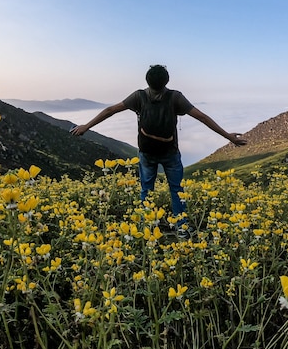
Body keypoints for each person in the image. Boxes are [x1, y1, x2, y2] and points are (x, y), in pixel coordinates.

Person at [70, 65, 247, 239]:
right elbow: (202, 117)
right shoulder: (175, 97)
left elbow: (110, 110)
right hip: (170, 152)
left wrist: (86, 126)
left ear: (147, 80)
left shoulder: (138, 96)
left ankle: (145, 226)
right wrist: (229, 137)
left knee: (146, 189)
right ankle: (182, 228)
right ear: (166, 81)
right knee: (176, 190)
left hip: (147, 152)